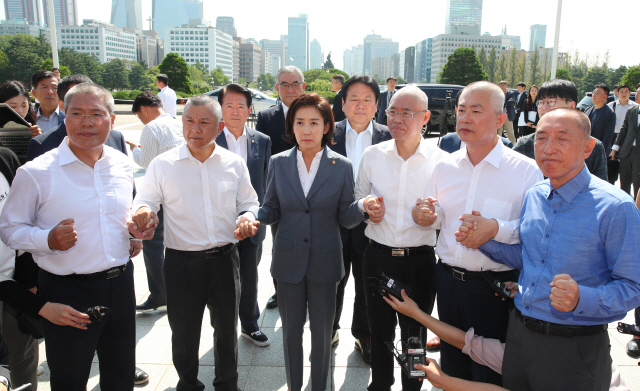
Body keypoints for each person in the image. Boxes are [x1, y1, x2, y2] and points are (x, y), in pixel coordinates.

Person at [476, 108, 640, 391]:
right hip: (519, 337)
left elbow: (632, 287)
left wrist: (582, 299)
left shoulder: (616, 207)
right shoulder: (535, 195)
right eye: (541, 138)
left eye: (562, 139)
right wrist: (481, 240)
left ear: (588, 147)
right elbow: (527, 258)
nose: (548, 149)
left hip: (574, 347)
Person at [0, 83, 151, 390]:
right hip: (67, 291)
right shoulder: (36, 172)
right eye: (77, 114)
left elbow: (124, 213)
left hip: (121, 284)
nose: (87, 122)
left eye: (96, 113)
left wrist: (136, 233)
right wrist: (47, 240)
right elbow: (8, 230)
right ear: (63, 118)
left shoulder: (122, 164)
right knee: (70, 377)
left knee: (120, 374)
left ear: (111, 119)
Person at [412, 81, 542, 386]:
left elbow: (535, 231)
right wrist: (424, 216)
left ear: (499, 119)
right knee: (452, 364)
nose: (464, 118)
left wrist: (496, 229)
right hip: (447, 281)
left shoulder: (526, 171)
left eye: (475, 111)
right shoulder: (444, 166)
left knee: (490, 369)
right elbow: (436, 213)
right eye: (461, 111)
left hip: (494, 288)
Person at [235, 93, 365, 391]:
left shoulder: (341, 165)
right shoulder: (279, 163)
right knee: (291, 334)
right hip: (288, 263)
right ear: (291, 126)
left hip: (326, 263)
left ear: (326, 126)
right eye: (300, 122)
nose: (307, 130)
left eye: (314, 123)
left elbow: (345, 217)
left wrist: (362, 209)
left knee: (322, 336)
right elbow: (271, 208)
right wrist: (252, 215)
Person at [131, 94, 258, 391]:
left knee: (226, 331)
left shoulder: (233, 163)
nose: (195, 129)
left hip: (226, 260)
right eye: (189, 121)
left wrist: (247, 217)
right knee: (184, 334)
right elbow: (145, 200)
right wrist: (143, 212)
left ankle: (227, 384)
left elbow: (249, 201)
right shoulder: (163, 165)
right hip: (181, 263)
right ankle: (188, 384)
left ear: (220, 126)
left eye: (204, 122)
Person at [353, 86, 450, 391]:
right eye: (392, 111)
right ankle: (380, 384)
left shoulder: (443, 161)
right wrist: (366, 207)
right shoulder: (373, 155)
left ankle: (412, 386)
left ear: (425, 117)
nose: (396, 119)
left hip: (419, 261)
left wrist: (433, 218)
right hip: (378, 257)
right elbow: (358, 196)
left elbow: (450, 211)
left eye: (406, 113)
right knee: (379, 331)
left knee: (415, 335)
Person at [384, 287, 631, 391]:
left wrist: (445, 381)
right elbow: (468, 342)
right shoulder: (531, 346)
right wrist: (416, 313)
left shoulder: (568, 364)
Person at [328, 75, 392, 363]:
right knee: (331, 281)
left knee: (368, 285)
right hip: (333, 225)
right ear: (342, 104)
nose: (360, 104)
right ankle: (328, 330)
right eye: (353, 98)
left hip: (372, 226)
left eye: (367, 99)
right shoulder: (326, 134)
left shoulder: (389, 137)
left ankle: (363, 335)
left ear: (377, 105)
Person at [215, 83, 272, 347]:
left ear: (249, 110)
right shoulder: (208, 139)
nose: (235, 111)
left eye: (241, 106)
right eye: (229, 105)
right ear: (220, 108)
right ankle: (224, 329)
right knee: (222, 280)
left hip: (252, 223)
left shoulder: (261, 140)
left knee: (249, 275)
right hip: (217, 224)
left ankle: (250, 324)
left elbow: (267, 181)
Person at [126, 92, 183, 314]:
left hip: (161, 191)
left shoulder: (151, 128)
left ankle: (160, 294)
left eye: (140, 116)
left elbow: (146, 161)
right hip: (181, 192)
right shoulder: (175, 123)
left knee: (152, 243)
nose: (142, 120)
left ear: (144, 109)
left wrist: (134, 149)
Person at [255, 65, 307, 310]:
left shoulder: (315, 111)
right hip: (280, 193)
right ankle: (280, 290)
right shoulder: (266, 117)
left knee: (312, 240)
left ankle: (310, 288)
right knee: (281, 244)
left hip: (312, 190)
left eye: (295, 83)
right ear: (276, 89)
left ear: (303, 86)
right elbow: (262, 158)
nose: (290, 88)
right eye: (284, 84)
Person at [512, 79, 609, 181]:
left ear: (571, 106)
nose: (544, 107)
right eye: (541, 102)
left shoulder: (592, 146)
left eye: (551, 102)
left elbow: (600, 190)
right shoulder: (524, 145)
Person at [610, 86, 640, 199]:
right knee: (624, 183)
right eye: (636, 93)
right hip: (626, 152)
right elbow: (623, 130)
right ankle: (625, 207)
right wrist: (614, 149)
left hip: (639, 153)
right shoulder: (631, 110)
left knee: (638, 184)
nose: (636, 96)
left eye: (639, 93)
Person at [584, 83, 616, 155]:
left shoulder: (610, 113)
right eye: (593, 92)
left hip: (598, 153)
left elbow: (607, 137)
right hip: (584, 151)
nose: (594, 95)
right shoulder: (588, 110)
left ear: (605, 97)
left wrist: (600, 153)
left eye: (597, 93)